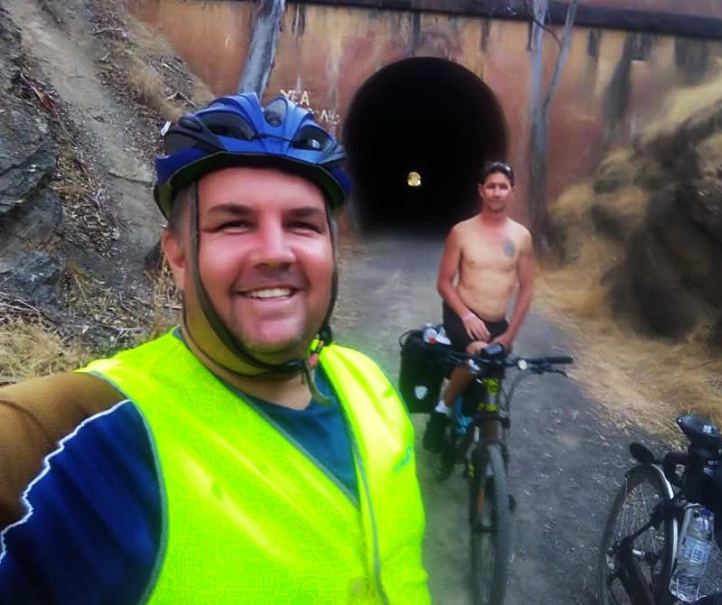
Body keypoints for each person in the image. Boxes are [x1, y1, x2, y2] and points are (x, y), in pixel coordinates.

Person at [0, 93, 429, 603]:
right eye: (234, 223)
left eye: (302, 224)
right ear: (177, 255)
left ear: (333, 250)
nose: (275, 251)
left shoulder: (368, 382)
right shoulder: (81, 433)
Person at [423, 161, 534, 451]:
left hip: (498, 324)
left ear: (512, 192)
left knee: (492, 391)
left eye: (503, 186)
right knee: (478, 356)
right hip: (462, 315)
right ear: (481, 191)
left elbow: (527, 288)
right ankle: (442, 409)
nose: (497, 192)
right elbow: (444, 283)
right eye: (491, 186)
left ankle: (488, 474)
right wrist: (467, 315)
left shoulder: (521, 237)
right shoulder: (462, 232)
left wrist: (510, 335)